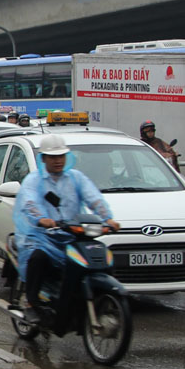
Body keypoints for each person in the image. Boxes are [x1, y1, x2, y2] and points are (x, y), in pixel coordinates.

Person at [13, 134, 119, 324]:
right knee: (38, 257)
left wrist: (108, 219)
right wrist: (42, 219)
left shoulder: (76, 178)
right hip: (41, 235)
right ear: (43, 158)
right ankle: (31, 303)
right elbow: (29, 201)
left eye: (61, 156)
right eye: (53, 157)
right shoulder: (34, 180)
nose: (58, 161)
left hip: (71, 234)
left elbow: (93, 197)